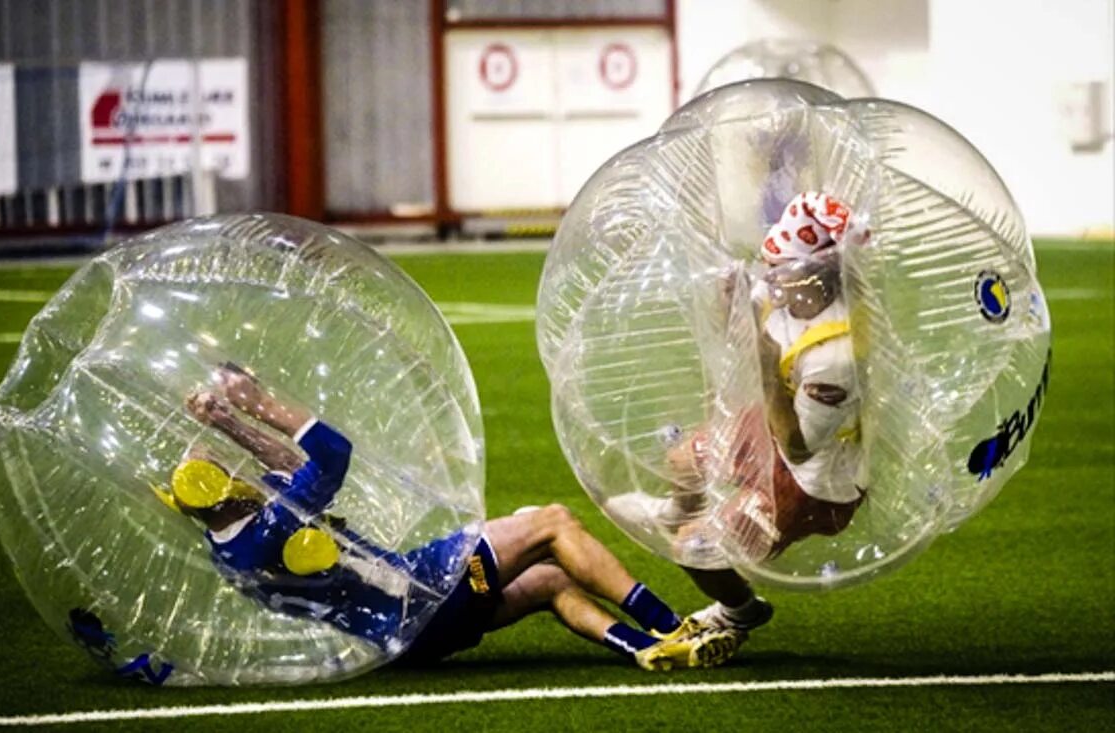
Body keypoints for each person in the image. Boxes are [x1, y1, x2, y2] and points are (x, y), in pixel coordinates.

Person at [154, 363, 743, 671]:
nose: (237, 472)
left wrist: (227, 424)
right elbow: (329, 453)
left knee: (548, 579)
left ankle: (642, 648)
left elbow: (283, 469)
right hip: (425, 596)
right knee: (551, 521)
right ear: (221, 494)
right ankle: (673, 625)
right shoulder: (272, 524)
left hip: (401, 635)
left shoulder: (234, 543)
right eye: (223, 470)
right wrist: (260, 406)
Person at [608, 191, 870, 633]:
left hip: (812, 484)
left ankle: (739, 610)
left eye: (783, 268)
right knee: (682, 460)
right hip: (779, 425)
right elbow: (737, 326)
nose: (772, 276)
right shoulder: (792, 293)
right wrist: (727, 301)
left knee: (695, 549)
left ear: (819, 276)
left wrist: (767, 365)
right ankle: (675, 511)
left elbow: (798, 448)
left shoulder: (835, 355)